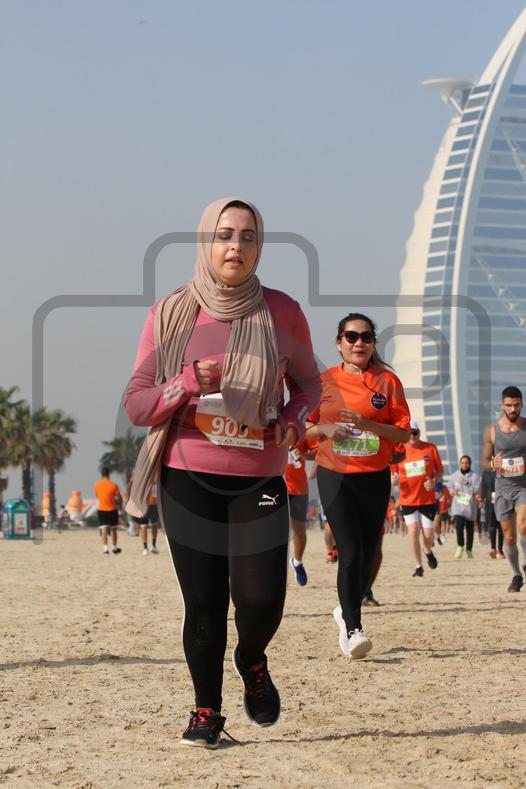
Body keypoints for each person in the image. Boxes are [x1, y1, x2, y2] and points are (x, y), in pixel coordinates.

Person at [124, 197, 321, 748]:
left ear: (260, 246)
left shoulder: (282, 311)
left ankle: (252, 658)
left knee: (261, 601)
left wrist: (294, 417)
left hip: (258, 476)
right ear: (205, 241)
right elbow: (137, 404)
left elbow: (310, 383)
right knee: (204, 601)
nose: (236, 246)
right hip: (187, 475)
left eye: (248, 236)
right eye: (224, 235)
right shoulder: (171, 313)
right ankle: (206, 712)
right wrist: (187, 381)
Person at [305, 313, 410, 659]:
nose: (359, 343)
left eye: (366, 337)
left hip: (374, 475)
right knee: (350, 552)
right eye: (351, 337)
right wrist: (325, 430)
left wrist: (369, 425)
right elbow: (303, 430)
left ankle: (344, 609)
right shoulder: (323, 382)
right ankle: (353, 629)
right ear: (339, 343)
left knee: (368, 553)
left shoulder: (388, 382)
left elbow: (402, 433)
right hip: (335, 475)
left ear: (373, 343)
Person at [481, 386, 526, 592]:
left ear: (522, 404)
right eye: (509, 405)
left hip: (523, 486)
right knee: (509, 536)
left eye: (516, 405)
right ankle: (517, 574)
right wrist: (493, 463)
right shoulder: (491, 431)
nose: (513, 409)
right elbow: (484, 462)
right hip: (503, 488)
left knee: (523, 526)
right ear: (502, 405)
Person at [394, 421, 443, 577]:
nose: (412, 436)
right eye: (409, 433)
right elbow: (392, 474)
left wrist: (433, 481)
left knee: (428, 535)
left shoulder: (430, 448)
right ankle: (418, 566)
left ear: (419, 433)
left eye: (415, 432)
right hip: (407, 499)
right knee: (413, 530)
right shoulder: (398, 450)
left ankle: (427, 550)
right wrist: (394, 480)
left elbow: (439, 471)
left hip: (427, 499)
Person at [285, 446, 309, 585]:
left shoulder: (303, 434)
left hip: (298, 489)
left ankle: (297, 562)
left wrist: (304, 455)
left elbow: (318, 451)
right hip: (271, 486)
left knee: (299, 532)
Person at [450, 456, 480, 559]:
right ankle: (460, 546)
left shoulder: (475, 476)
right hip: (457, 506)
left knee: (470, 530)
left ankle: (469, 550)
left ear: (469, 464)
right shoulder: (454, 475)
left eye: (466, 463)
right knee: (459, 526)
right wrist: (453, 491)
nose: (464, 464)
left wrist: (467, 483)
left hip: (470, 507)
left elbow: (477, 490)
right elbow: (450, 489)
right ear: (460, 463)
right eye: (462, 462)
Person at [93, 468, 123, 555]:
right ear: (109, 474)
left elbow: (97, 495)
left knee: (104, 529)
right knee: (114, 529)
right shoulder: (113, 485)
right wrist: (120, 507)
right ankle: (114, 547)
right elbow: (119, 497)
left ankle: (105, 549)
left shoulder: (96, 485)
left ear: (101, 475)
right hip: (112, 509)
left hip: (101, 509)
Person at [480, 470, 504, 559]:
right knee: (492, 527)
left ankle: (500, 550)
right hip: (490, 503)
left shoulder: (504, 471)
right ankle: (493, 548)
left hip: (503, 502)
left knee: (501, 527)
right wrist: (482, 499)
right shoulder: (486, 473)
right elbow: (483, 487)